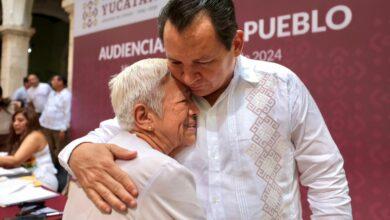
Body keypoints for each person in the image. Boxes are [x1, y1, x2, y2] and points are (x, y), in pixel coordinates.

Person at [59, 0, 352, 219]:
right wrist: (77, 152)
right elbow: (105, 133)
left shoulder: (280, 85)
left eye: (202, 63)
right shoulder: (164, 96)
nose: (187, 77)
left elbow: (325, 174)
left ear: (236, 44)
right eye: (175, 62)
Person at [63, 58, 204, 219]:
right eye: (185, 101)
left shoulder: (88, 168)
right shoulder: (165, 172)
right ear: (144, 117)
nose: (196, 110)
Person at [0, 108, 58, 191]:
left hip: (43, 180)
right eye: (14, 120)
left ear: (30, 121)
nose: (15, 123)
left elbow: (15, 160)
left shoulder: (35, 136)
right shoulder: (22, 136)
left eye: (20, 120)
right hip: (29, 177)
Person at [39, 75, 71, 164]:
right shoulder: (52, 93)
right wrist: (41, 121)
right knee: (49, 148)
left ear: (61, 82)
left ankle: (61, 171)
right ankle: (52, 168)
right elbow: (47, 107)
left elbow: (67, 112)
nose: (52, 82)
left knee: (60, 150)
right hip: (46, 125)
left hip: (58, 128)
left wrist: (63, 129)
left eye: (54, 80)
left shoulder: (67, 95)